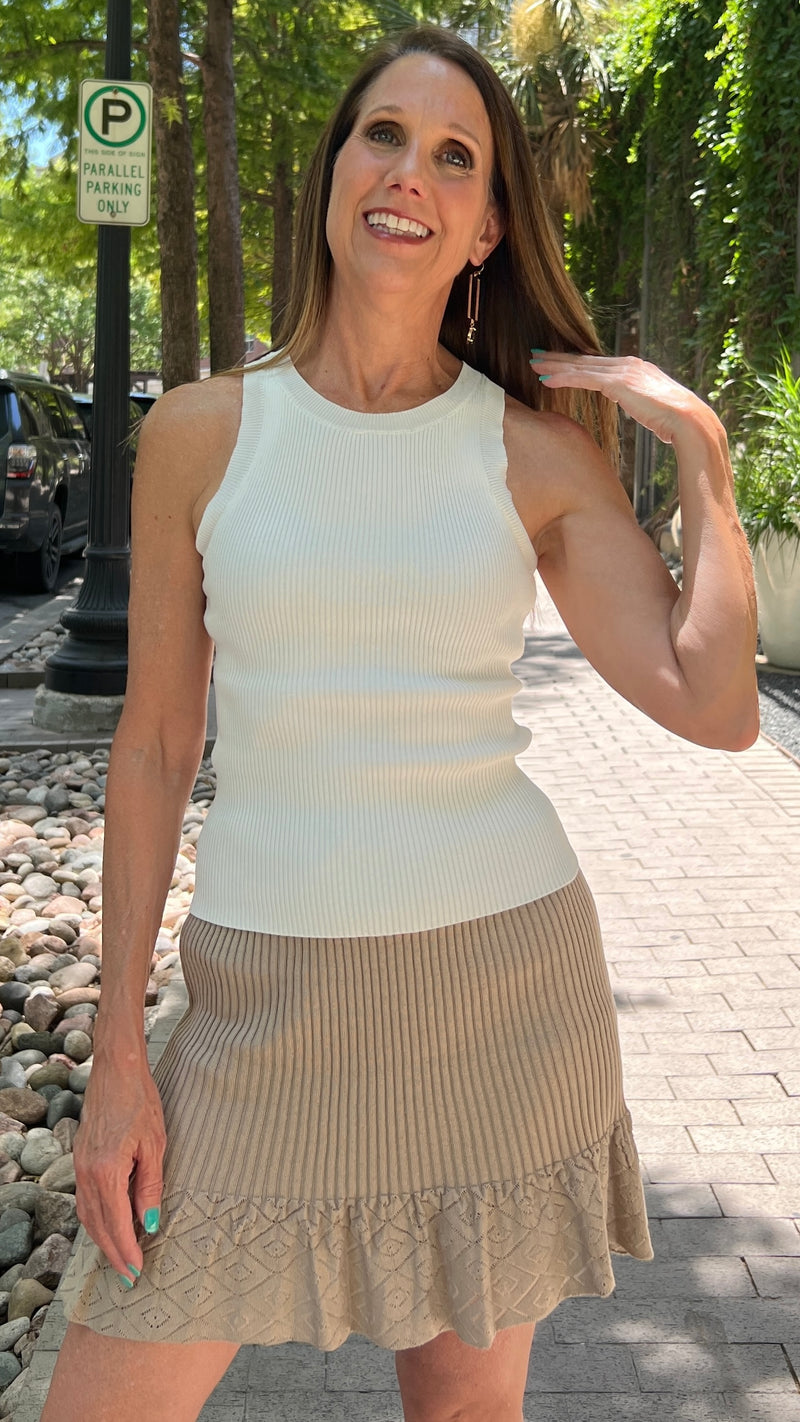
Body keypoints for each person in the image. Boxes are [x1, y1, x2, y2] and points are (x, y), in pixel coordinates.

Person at [44, 23, 758, 1422]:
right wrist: (120, 1051)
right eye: (384, 134)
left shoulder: (530, 452)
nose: (408, 175)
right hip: (259, 1009)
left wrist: (708, 461)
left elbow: (716, 707)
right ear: (333, 171)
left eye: (452, 156)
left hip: (500, 995)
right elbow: (155, 743)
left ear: (487, 225)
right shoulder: (199, 430)